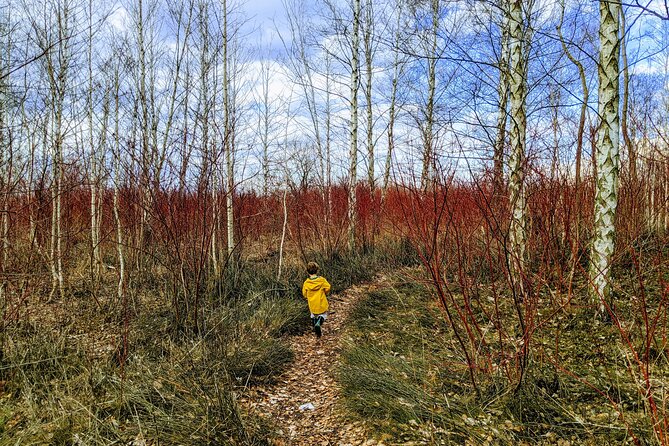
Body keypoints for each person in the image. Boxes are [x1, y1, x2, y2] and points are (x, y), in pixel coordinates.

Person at [302, 261, 331, 338]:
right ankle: (319, 322)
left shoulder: (306, 283)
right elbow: (328, 287)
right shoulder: (321, 280)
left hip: (312, 304)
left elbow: (304, 293)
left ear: (307, 271)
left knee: (313, 315)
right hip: (321, 302)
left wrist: (307, 297)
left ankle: (315, 323)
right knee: (323, 315)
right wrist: (325, 292)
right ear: (317, 270)